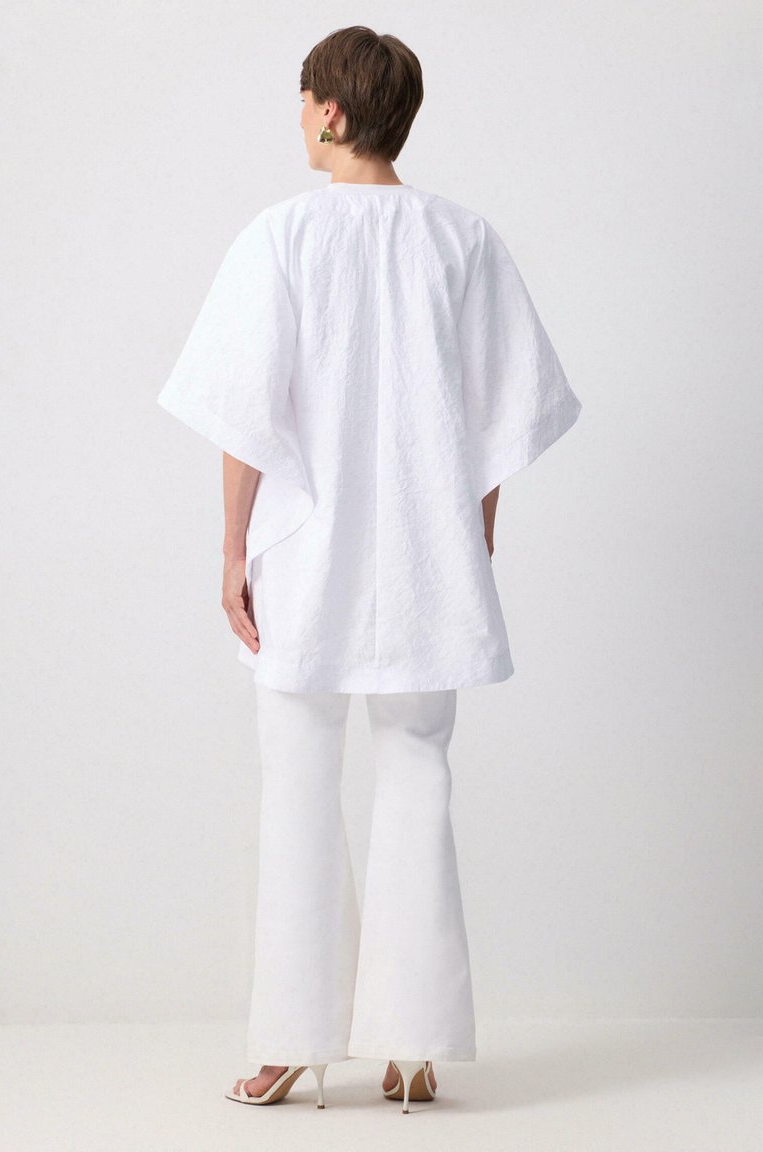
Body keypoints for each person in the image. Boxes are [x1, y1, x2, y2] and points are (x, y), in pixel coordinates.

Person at [157, 26, 582, 1113]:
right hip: (426, 551)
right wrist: (473, 534)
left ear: (332, 112)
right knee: (419, 771)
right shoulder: (463, 239)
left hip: (304, 550)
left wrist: (231, 549)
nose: (298, 116)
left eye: (303, 99)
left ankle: (288, 1041)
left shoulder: (281, 237)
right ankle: (413, 1043)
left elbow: (245, 414)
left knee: (296, 778)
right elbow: (497, 417)